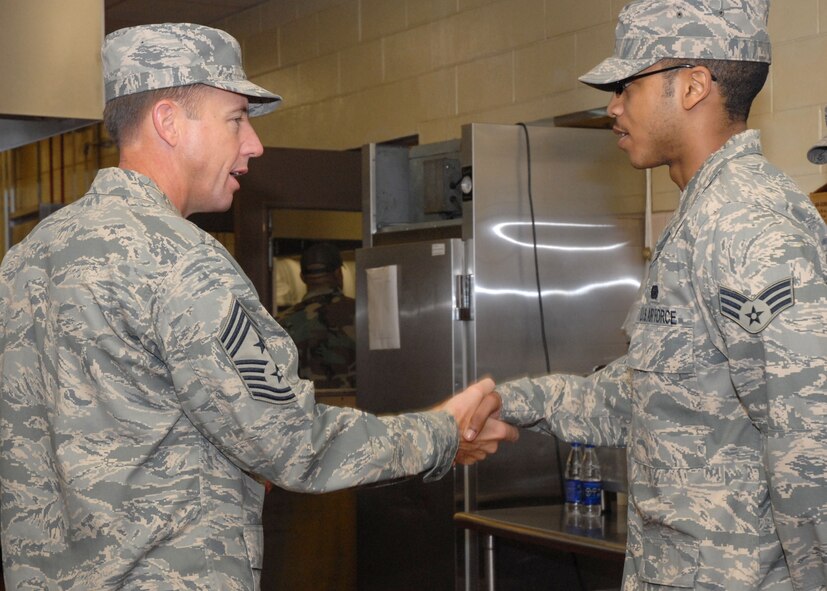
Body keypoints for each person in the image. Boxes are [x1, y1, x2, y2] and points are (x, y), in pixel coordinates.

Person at [0, 23, 516, 590]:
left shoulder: (26, 260)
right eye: (237, 118)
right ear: (169, 122)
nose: (254, 144)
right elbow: (294, 444)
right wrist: (444, 432)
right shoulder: (180, 262)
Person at [468, 1, 827, 589]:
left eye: (627, 86)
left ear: (691, 87)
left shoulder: (746, 226)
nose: (612, 106)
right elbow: (647, 395)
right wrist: (512, 402)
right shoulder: (703, 216)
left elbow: (812, 441)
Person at [277, 243, 356, 390]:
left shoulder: (281, 323)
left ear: (302, 277)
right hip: (354, 410)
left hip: (305, 410)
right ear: (338, 274)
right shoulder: (362, 313)